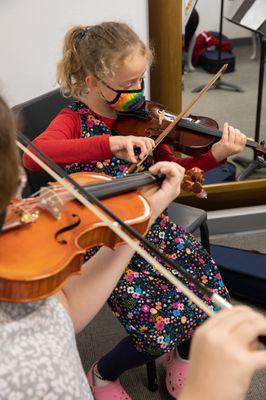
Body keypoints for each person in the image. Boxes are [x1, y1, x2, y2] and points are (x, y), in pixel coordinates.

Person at [23, 21, 247, 399]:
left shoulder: (146, 120)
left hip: (151, 223)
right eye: (125, 86)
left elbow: (175, 170)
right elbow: (34, 155)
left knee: (206, 295)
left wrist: (215, 156)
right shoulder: (73, 121)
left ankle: (184, 353)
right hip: (105, 240)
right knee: (154, 328)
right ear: (93, 82)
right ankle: (103, 373)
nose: (136, 94)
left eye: (139, 81)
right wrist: (109, 143)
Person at [0, 94, 186, 399]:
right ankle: (104, 374)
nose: (22, 181)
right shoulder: (26, 365)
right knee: (155, 321)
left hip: (123, 226)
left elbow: (64, 308)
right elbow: (35, 156)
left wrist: (146, 214)